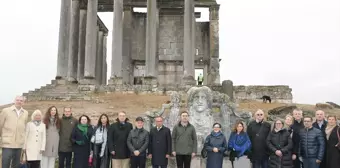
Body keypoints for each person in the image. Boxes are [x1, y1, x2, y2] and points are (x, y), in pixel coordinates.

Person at [0, 96, 28, 168]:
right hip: (7, 143)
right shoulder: (6, 111)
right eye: (17, 100)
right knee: (5, 164)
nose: (19, 102)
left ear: (23, 102)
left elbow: (24, 128)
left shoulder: (25, 113)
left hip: (19, 144)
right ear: (14, 101)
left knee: (16, 165)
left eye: (21, 101)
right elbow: (0, 125)